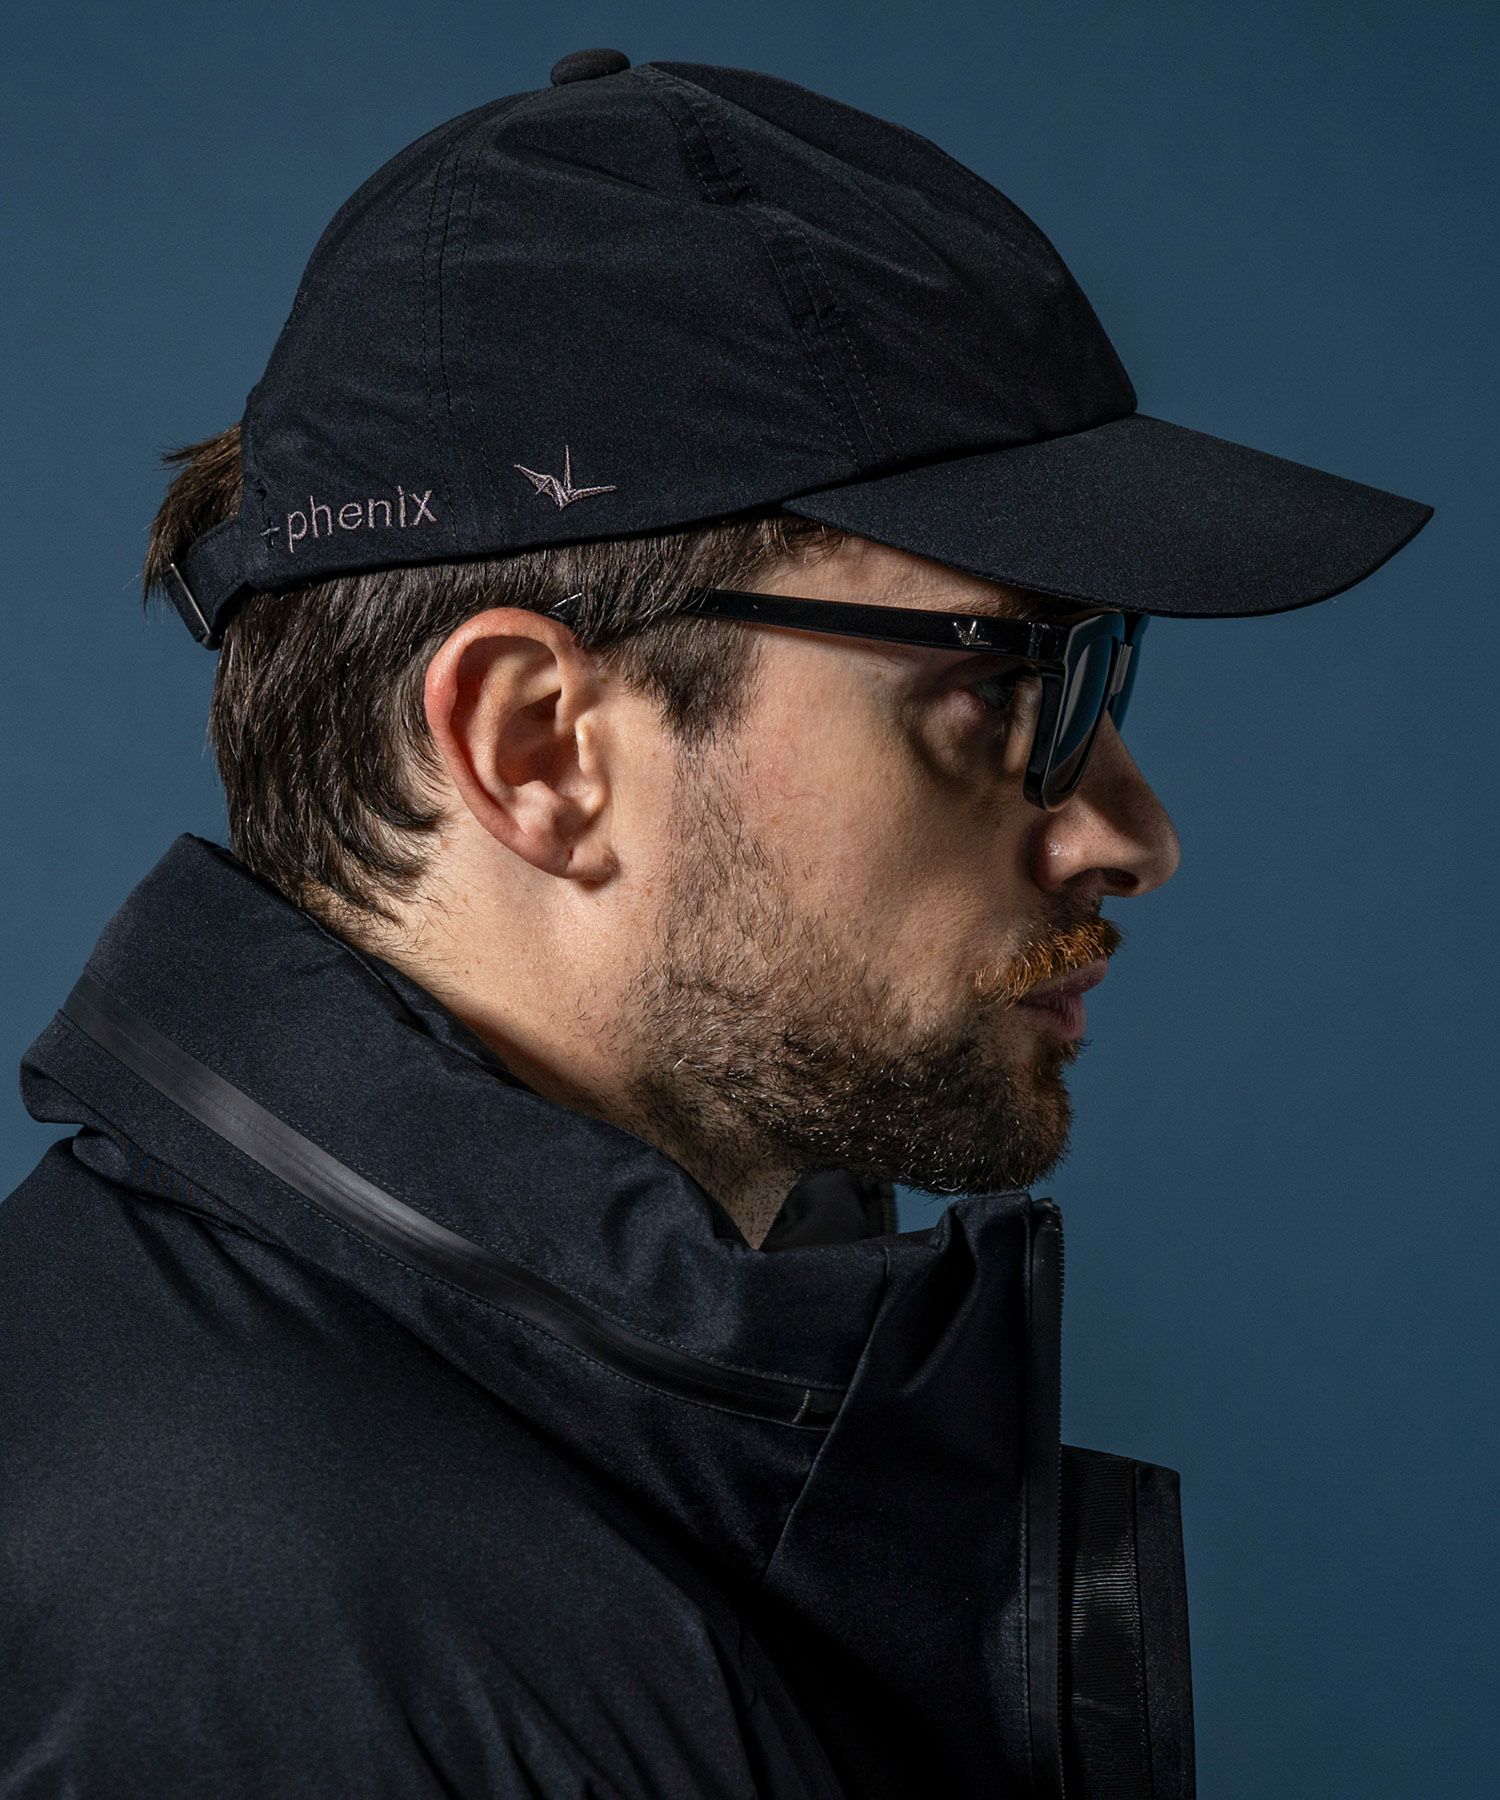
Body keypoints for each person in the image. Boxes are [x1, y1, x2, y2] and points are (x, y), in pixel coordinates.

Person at [0, 48, 1431, 1800]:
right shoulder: (249, 1644)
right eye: (1004, 683)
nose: (1134, 835)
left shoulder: (637, 1465)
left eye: (1102, 672)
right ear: (539, 748)